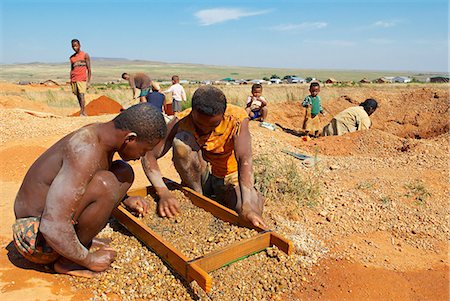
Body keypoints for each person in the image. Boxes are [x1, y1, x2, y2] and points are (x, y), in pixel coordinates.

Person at [13, 104, 167, 277]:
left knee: (122, 172)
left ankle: (78, 243)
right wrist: (89, 260)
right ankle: (68, 261)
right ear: (130, 138)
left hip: (48, 223)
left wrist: (124, 198)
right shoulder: (86, 149)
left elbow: (89, 176)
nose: (141, 156)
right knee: (106, 183)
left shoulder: (102, 134)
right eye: (144, 150)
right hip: (35, 237)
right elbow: (51, 226)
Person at [137, 85, 267, 229]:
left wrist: (247, 205)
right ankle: (198, 197)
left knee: (250, 211)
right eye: (199, 124)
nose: (205, 129)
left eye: (213, 125)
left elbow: (244, 159)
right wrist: (163, 193)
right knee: (181, 141)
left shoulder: (236, 118)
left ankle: (247, 199)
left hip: (229, 176)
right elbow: (149, 155)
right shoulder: (182, 121)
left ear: (222, 115)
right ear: (193, 112)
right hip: (202, 177)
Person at [70, 39, 91, 116]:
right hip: (74, 79)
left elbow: (89, 69)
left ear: (79, 45)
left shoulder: (85, 55)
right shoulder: (72, 58)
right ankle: (83, 111)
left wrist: (88, 82)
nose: (74, 48)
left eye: (76, 46)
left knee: (81, 94)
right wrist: (71, 80)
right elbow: (72, 69)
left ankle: (82, 112)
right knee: (78, 96)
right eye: (73, 46)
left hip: (82, 79)